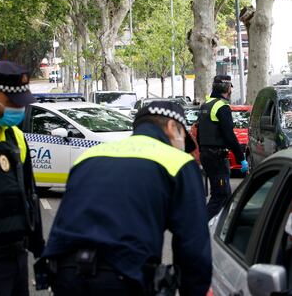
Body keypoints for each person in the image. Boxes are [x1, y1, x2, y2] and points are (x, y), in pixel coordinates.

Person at [42, 101, 212, 295]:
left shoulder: (90, 156)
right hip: (124, 276)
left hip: (64, 273)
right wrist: (195, 290)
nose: (183, 147)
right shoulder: (178, 162)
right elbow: (192, 243)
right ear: (172, 127)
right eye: (183, 136)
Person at [0, 61, 45, 296]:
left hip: (18, 257)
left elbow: (30, 195)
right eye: (13, 103)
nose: (20, 109)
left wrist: (40, 253)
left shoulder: (15, 137)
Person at [197, 75, 248, 220]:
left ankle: (221, 228)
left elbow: (200, 132)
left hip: (207, 155)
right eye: (231, 87)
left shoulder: (206, 105)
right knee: (220, 195)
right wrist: (241, 158)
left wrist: (202, 152)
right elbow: (229, 136)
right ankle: (200, 226)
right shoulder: (222, 107)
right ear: (228, 89)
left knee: (224, 195)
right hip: (217, 157)